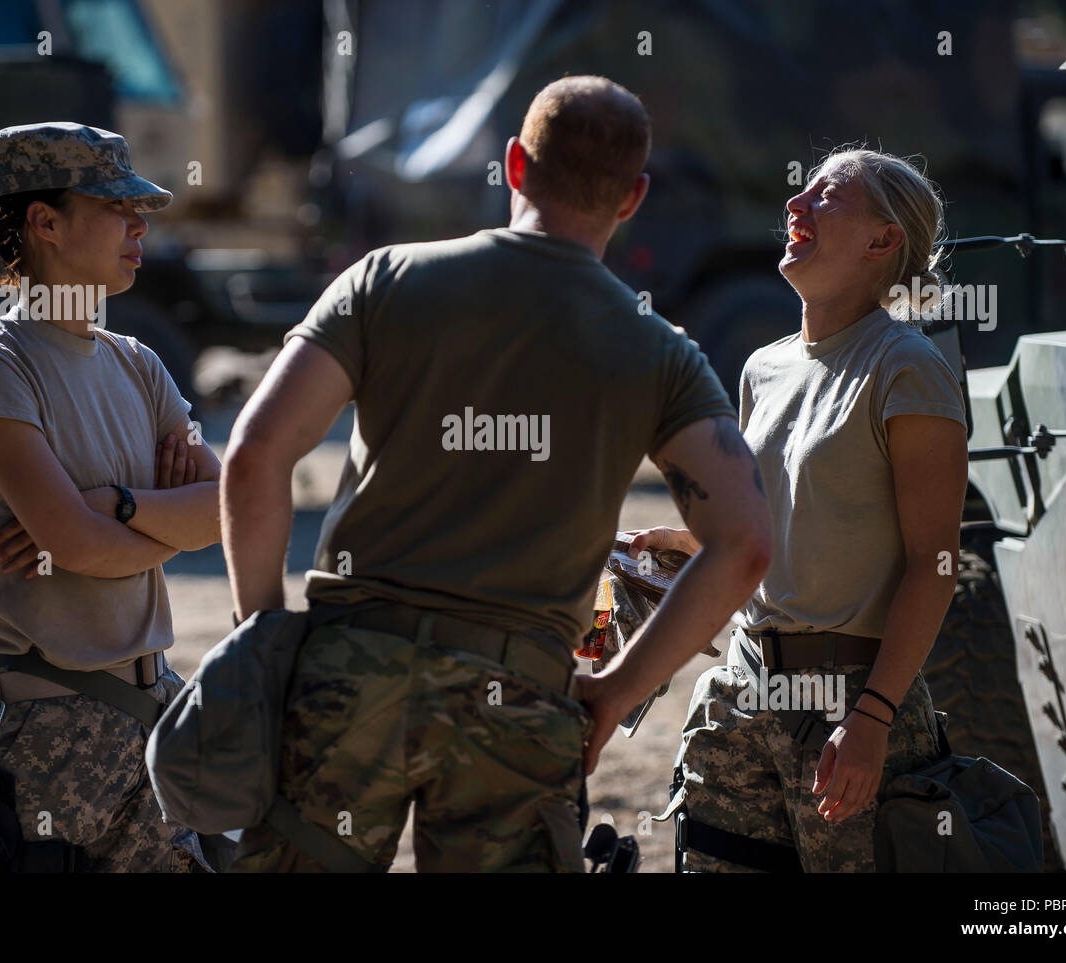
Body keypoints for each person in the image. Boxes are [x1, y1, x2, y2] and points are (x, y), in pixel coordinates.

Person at [222, 76, 772, 872]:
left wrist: (261, 641)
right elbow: (744, 545)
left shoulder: (385, 281)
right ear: (633, 198)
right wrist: (617, 687)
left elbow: (253, 456)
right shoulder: (660, 353)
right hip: (519, 697)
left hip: (351, 672)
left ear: (514, 164)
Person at [631, 148, 969, 872]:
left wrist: (873, 717)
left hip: (852, 702)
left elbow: (933, 564)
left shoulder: (905, 367)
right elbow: (796, 532)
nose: (798, 203)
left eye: (829, 194)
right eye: (803, 190)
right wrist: (694, 551)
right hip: (743, 691)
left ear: (883, 241)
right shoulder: (764, 367)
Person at [0, 122, 222, 872]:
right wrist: (148, 521)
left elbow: (224, 507)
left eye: (141, 209)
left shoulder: (138, 363)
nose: (139, 225)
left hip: (152, 712)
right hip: (49, 736)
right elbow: (77, 546)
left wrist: (114, 502)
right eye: (115, 207)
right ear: (45, 221)